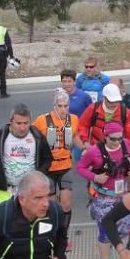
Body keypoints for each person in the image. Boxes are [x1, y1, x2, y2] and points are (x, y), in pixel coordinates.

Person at [77, 122, 130, 259]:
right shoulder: (94, 152)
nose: (118, 142)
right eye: (114, 139)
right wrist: (95, 177)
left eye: (120, 138)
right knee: (105, 232)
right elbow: (80, 168)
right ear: (105, 137)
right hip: (103, 198)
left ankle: (109, 243)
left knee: (125, 228)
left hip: (123, 195)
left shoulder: (125, 145)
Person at [33, 89, 82, 246]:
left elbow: (75, 137)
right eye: (60, 106)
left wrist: (86, 149)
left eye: (66, 105)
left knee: (66, 204)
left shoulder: (73, 119)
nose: (63, 109)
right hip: (48, 169)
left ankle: (63, 237)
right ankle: (51, 236)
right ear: (54, 105)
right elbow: (31, 136)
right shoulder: (42, 120)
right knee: (51, 206)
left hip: (66, 166)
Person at [0, 104, 52, 205]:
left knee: (30, 219)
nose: (22, 128)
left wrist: (38, 175)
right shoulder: (0, 135)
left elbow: (48, 159)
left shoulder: (38, 137)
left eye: (26, 123)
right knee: (7, 219)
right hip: (6, 191)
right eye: (18, 123)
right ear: (11, 121)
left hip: (29, 190)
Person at [78, 83, 130, 150]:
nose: (114, 104)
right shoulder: (93, 108)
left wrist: (128, 151)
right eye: (111, 101)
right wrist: (85, 141)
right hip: (96, 148)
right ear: (103, 98)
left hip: (117, 149)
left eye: (117, 101)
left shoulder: (125, 112)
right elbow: (82, 125)